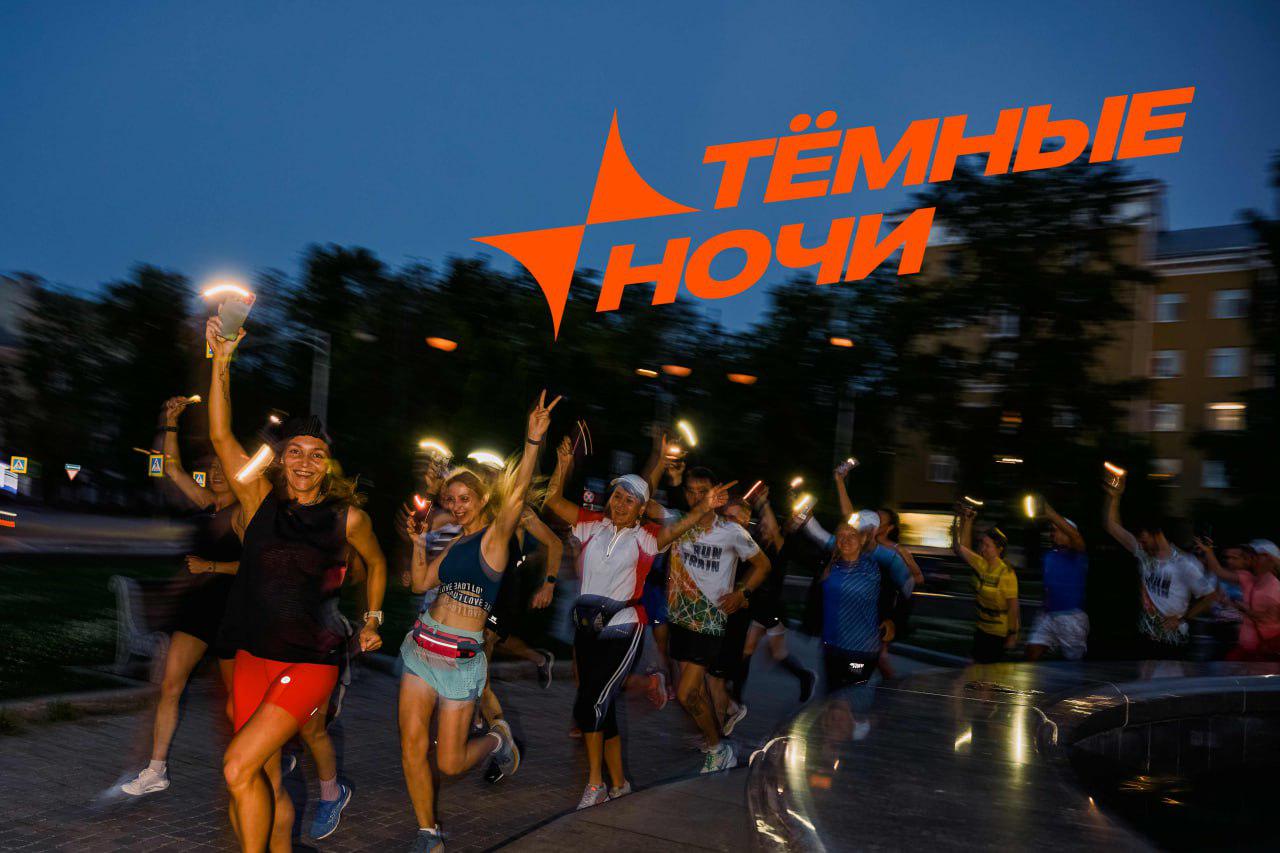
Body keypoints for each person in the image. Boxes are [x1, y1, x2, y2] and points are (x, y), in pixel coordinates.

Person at [205, 317, 388, 852]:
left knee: (236, 765)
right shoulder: (258, 500)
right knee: (257, 773)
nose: (305, 462)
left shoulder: (347, 517)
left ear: (327, 464)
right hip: (253, 655)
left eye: (317, 454)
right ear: (282, 459)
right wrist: (221, 361)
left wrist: (373, 619)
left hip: (310, 660)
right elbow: (220, 436)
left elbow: (377, 564)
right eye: (295, 452)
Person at [398, 391, 558, 852]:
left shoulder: (495, 538)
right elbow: (420, 582)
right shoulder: (453, 543)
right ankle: (428, 835)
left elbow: (519, 492)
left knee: (449, 763)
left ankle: (498, 739)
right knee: (412, 746)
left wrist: (532, 440)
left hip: (460, 660)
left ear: (483, 497)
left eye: (464, 498)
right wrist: (418, 542)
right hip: (422, 648)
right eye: (451, 499)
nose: (457, 505)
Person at [544, 438, 707, 807]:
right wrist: (563, 465)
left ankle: (595, 784)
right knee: (600, 704)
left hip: (623, 627)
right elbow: (552, 501)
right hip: (586, 627)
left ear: (641, 510)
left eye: (630, 500)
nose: (620, 503)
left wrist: (703, 507)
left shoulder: (647, 538)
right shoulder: (591, 526)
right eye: (617, 496)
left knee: (591, 702)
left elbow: (679, 529)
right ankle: (619, 783)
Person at [120, 396, 242, 797]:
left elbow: (256, 568)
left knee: (236, 703)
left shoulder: (246, 514)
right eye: (212, 467)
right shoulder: (208, 505)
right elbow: (171, 468)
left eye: (223, 467)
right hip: (197, 612)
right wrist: (170, 422)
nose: (216, 472)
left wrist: (211, 567)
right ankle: (156, 770)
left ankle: (261, 755)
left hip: (231, 615)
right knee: (170, 686)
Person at [663, 466, 770, 774]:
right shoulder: (678, 524)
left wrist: (742, 592)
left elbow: (763, 565)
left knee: (686, 693)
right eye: (691, 491)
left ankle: (717, 747)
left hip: (709, 621)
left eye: (703, 491)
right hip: (679, 618)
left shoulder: (731, 531)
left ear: (715, 493)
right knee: (693, 693)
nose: (697, 497)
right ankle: (718, 745)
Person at [1102, 471, 1215, 658]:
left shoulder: (1184, 564)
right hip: (1146, 638)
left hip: (1173, 643)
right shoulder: (1143, 552)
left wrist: (1182, 618)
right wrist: (1115, 497)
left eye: (1143, 539)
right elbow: (1112, 527)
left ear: (1156, 533)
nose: (1141, 544)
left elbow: (1210, 596)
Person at [736, 486, 818, 703]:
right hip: (761, 605)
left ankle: (736, 699)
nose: (763, 527)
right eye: (761, 525)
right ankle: (804, 676)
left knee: (753, 651)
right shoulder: (757, 545)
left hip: (770, 606)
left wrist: (763, 503)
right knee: (772, 653)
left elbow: (773, 528)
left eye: (766, 525)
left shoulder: (781, 547)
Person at [817, 512, 903, 691]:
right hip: (831, 647)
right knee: (832, 695)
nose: (846, 540)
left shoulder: (873, 567)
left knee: (850, 694)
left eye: (852, 535)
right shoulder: (830, 565)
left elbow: (900, 589)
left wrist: (891, 619)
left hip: (860, 650)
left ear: (863, 539)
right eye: (841, 535)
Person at [953, 504, 1019, 663]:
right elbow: (961, 548)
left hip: (998, 633)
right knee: (975, 668)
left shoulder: (1007, 573)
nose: (983, 548)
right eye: (982, 544)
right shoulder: (981, 564)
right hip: (982, 628)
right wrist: (964, 520)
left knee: (987, 673)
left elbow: (1013, 607)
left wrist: (1012, 634)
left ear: (999, 549)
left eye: (987, 546)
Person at [1025, 499, 1089, 661]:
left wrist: (1050, 512)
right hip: (1048, 615)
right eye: (1052, 530)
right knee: (1032, 651)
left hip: (1071, 617)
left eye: (1058, 530)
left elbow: (1076, 537)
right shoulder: (1049, 556)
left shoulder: (1077, 554)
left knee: (1074, 664)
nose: (1053, 533)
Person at [1195, 538, 1280, 661]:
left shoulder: (1275, 588)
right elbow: (1219, 571)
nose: (1249, 559)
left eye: (1254, 556)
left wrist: (1244, 609)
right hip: (1246, 646)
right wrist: (1208, 551)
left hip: (1264, 650)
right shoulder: (1248, 577)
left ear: (1269, 559)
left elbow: (1268, 618)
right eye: (1248, 556)